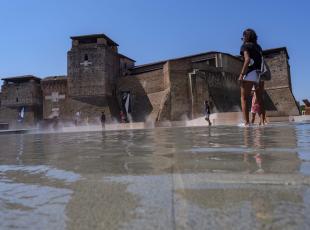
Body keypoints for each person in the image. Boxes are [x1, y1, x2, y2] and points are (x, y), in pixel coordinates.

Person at [239, 28, 265, 126]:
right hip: (260, 74)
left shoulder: (245, 46)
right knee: (260, 98)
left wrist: (241, 74)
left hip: (250, 73)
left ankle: (247, 123)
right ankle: (262, 121)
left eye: (243, 37)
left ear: (246, 37)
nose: (242, 39)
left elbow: (247, 59)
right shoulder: (259, 47)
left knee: (244, 98)